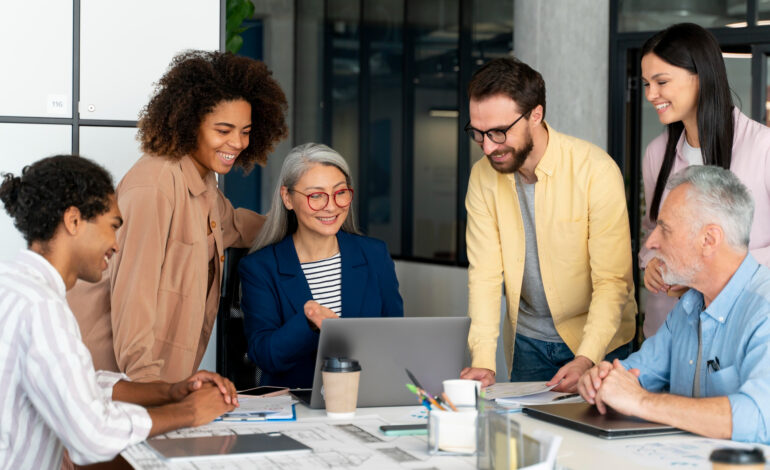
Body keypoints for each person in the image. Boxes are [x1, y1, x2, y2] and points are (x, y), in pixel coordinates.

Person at [0, 155, 239, 468]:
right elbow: (92, 435)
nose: (115, 244)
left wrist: (170, 391)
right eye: (112, 227)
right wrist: (189, 412)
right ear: (73, 221)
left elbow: (80, 383)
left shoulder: (15, 285)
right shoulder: (42, 308)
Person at [67, 51, 288, 383]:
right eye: (224, 129)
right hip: (111, 380)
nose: (238, 143)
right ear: (190, 123)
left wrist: (301, 216)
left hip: (157, 381)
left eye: (245, 131)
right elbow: (133, 295)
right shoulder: (154, 185)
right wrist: (150, 390)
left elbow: (235, 227)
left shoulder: (202, 182)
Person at [459, 57, 636, 392]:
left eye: (498, 132)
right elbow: (483, 273)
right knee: (527, 438)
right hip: (529, 342)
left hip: (600, 341)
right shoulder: (482, 176)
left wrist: (587, 357)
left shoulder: (595, 171)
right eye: (478, 133)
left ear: (535, 115)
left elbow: (612, 282)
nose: (488, 146)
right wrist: (482, 358)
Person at [578, 166, 770, 443]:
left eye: (665, 230)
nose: (651, 242)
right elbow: (634, 375)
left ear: (709, 240)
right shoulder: (688, 306)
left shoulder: (764, 310)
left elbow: (761, 416)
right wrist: (602, 379)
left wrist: (642, 401)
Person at [639, 23, 770, 337]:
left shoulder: (763, 147)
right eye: (646, 84)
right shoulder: (657, 154)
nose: (650, 95)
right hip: (668, 335)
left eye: (661, 82)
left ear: (700, 76)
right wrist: (653, 265)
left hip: (744, 334)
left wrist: (707, 271)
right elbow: (653, 233)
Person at [239, 143, 403, 388]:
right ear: (288, 198)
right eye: (316, 195)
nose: (331, 206)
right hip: (297, 403)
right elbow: (265, 356)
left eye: (340, 192)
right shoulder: (260, 267)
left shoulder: (374, 254)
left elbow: (396, 337)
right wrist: (309, 323)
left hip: (366, 398)